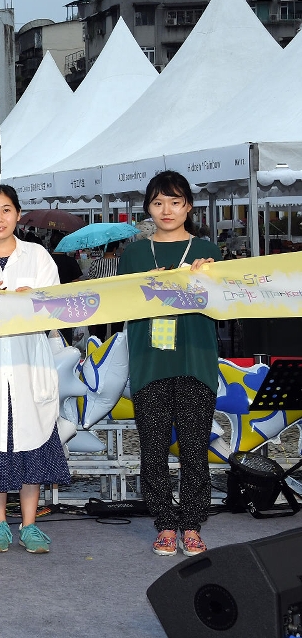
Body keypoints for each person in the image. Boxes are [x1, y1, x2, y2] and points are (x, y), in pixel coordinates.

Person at [0, 184, 71, 555]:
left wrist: (29, 303)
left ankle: (31, 524)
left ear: (19, 215)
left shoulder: (37, 257)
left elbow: (56, 309)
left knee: (33, 442)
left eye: (6, 210)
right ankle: (0, 524)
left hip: (28, 362)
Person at [117, 171, 220, 558]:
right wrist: (144, 284)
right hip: (149, 362)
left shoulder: (209, 252)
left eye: (175, 202)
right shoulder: (134, 254)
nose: (167, 210)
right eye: (158, 202)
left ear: (188, 207)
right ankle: (164, 524)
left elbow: (224, 308)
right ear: (148, 208)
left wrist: (210, 279)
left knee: (195, 449)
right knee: (153, 449)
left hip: (196, 360)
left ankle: (191, 524)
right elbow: (119, 305)